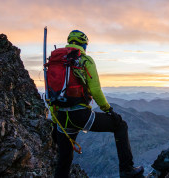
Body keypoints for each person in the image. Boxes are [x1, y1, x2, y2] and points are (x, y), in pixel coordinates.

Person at [53, 30, 144, 178]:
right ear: (84, 45)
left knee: (64, 160)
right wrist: (108, 110)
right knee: (120, 125)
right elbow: (95, 90)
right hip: (80, 115)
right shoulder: (85, 60)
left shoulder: (57, 63)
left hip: (62, 117)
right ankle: (127, 170)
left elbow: (53, 93)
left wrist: (55, 117)